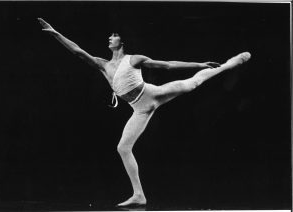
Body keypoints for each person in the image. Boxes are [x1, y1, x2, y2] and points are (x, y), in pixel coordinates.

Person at [38, 18, 251, 207]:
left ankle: (225, 66)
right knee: (123, 148)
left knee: (193, 83)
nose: (110, 38)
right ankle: (139, 195)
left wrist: (198, 63)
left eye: (115, 35)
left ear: (123, 41)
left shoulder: (134, 59)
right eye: (110, 35)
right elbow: (77, 51)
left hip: (153, 95)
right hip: (138, 109)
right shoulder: (103, 65)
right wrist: (56, 33)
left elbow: (167, 65)